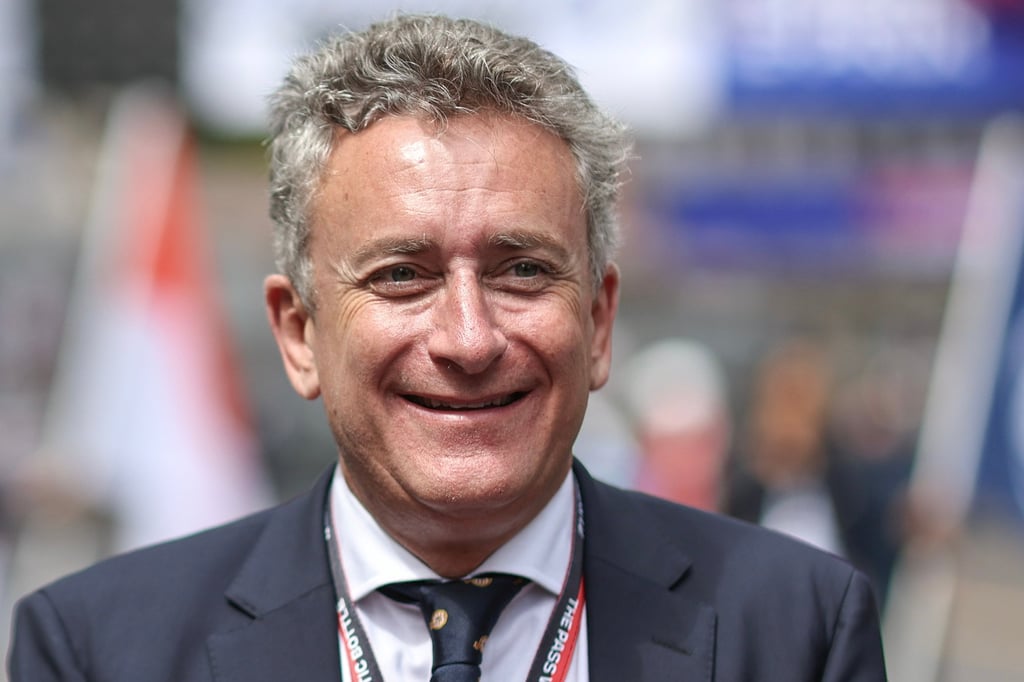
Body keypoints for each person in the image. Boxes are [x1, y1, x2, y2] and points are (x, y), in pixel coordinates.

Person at [8, 14, 887, 681]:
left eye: (521, 270)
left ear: (599, 323)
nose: (468, 339)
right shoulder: (98, 649)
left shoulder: (795, 628)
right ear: (299, 333)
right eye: (400, 275)